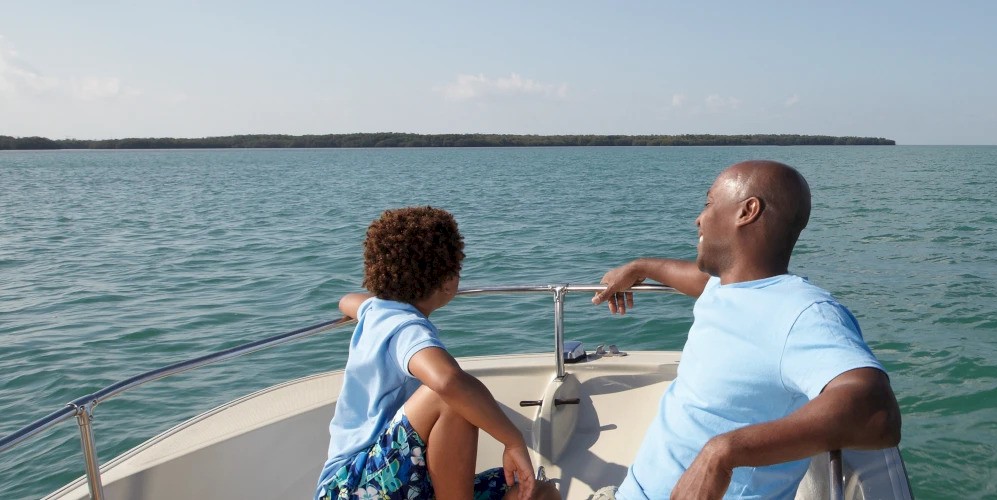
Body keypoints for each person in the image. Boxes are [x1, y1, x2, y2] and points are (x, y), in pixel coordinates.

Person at [591, 161, 902, 499]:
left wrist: (723, 454)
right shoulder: (726, 286)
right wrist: (640, 267)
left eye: (709, 203)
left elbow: (876, 411)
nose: (699, 218)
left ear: (747, 211)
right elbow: (694, 278)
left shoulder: (802, 313)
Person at [316, 206, 556, 500]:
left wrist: (368, 304)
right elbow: (446, 381)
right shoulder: (407, 328)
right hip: (353, 484)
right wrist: (512, 440)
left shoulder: (375, 310)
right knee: (452, 398)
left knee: (540, 494)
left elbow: (347, 300)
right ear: (446, 280)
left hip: (398, 481)